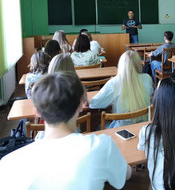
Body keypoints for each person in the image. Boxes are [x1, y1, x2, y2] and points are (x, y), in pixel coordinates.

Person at [0, 72, 131, 189]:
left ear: (37, 111)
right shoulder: (101, 145)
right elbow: (125, 175)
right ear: (81, 104)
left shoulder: (7, 165)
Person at [90, 51, 152, 128]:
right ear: (139, 64)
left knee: (98, 125)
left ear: (121, 65)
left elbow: (94, 104)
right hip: (144, 126)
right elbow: (149, 93)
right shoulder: (147, 78)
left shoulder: (114, 82)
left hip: (121, 128)